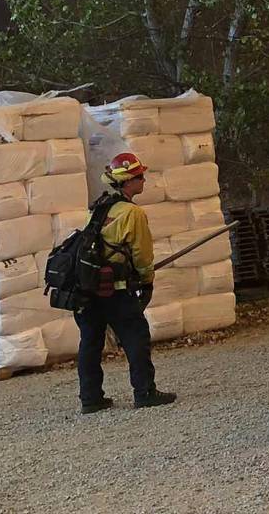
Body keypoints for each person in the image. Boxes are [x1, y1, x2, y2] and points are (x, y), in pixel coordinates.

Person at [76, 151, 177, 415]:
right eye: (140, 176)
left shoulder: (99, 208)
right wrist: (147, 281)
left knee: (90, 342)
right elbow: (142, 254)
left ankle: (91, 399)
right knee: (136, 337)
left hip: (88, 289)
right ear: (128, 182)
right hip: (116, 290)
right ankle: (144, 392)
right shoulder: (132, 213)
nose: (143, 180)